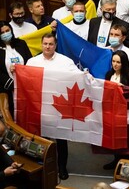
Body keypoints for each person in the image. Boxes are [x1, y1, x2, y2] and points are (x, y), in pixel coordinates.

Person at [26, 33, 81, 180]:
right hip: (39, 107)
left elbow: (78, 77)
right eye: (45, 44)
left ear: (55, 45)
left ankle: (62, 167)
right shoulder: (32, 61)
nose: (48, 47)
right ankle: (41, 166)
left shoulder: (65, 61)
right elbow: (25, 80)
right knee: (40, 140)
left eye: (51, 44)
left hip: (59, 108)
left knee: (61, 140)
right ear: (41, 44)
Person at [103, 50, 129, 170]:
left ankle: (126, 163)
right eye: (113, 61)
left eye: (118, 62)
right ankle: (116, 160)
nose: (115, 64)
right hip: (111, 110)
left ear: (124, 63)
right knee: (114, 137)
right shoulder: (108, 75)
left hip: (125, 112)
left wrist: (124, 89)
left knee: (125, 138)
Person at [0, 21, 32, 117]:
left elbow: (30, 62)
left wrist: (20, 69)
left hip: (25, 85)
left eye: (7, 30)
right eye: (2, 32)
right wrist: (12, 84)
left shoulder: (21, 43)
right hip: (7, 88)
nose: (6, 33)